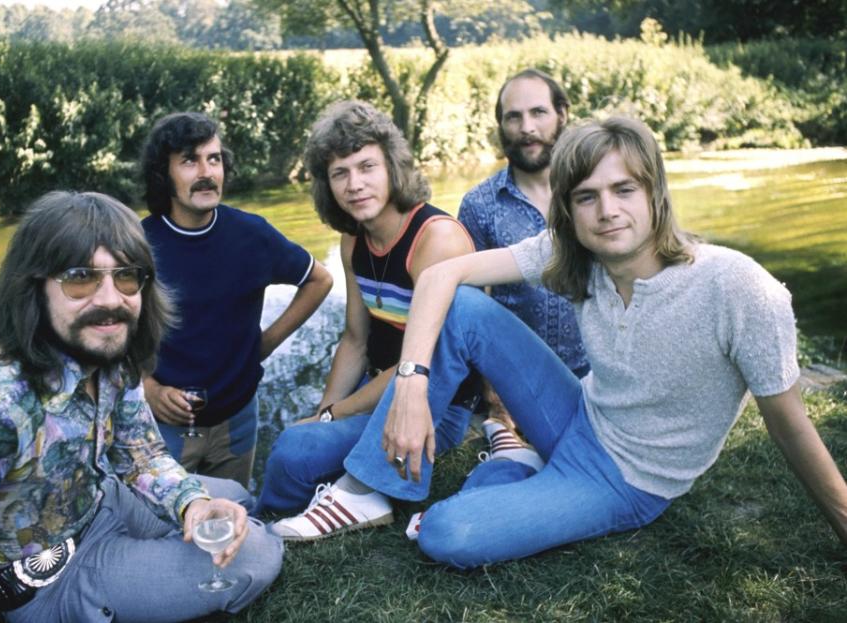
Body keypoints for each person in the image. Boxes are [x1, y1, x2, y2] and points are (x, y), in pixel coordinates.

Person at [277, 116, 847, 567]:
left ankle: (515, 463)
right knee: (462, 306)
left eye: (624, 189)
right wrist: (408, 386)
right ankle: (366, 490)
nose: (608, 212)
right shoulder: (573, 250)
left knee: (449, 534)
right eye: (586, 197)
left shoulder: (738, 286)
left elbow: (788, 421)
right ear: (568, 210)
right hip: (575, 411)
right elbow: (439, 277)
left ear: (656, 193)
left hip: (626, 479)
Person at [0, 192, 282, 621]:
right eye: (80, 278)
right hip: (52, 577)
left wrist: (192, 505)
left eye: (127, 277)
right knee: (256, 555)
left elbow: (141, 454)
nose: (111, 299)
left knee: (232, 499)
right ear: (34, 286)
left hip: (99, 503)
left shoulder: (107, 349)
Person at [258, 100, 477, 532]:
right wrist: (325, 409)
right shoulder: (352, 241)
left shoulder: (436, 239)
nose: (354, 184)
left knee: (293, 451)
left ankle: (264, 522)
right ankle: (270, 513)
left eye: (366, 167)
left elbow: (422, 362)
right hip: (376, 385)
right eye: (340, 173)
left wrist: (332, 417)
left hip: (436, 403)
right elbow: (355, 339)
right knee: (300, 439)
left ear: (393, 167)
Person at [140, 112, 333, 488]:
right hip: (161, 427)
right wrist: (147, 386)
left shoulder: (251, 234)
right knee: (161, 525)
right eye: (189, 161)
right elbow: (109, 332)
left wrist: (262, 345)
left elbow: (318, 280)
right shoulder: (137, 244)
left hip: (237, 421)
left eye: (213, 159)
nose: (206, 172)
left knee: (230, 521)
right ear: (164, 174)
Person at [457, 68, 588, 466]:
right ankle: (502, 432)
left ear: (562, 114)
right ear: (500, 125)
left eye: (538, 113)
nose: (526, 127)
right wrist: (499, 405)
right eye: (513, 117)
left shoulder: (595, 191)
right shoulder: (479, 205)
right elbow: (470, 313)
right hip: (520, 385)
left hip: (600, 378)